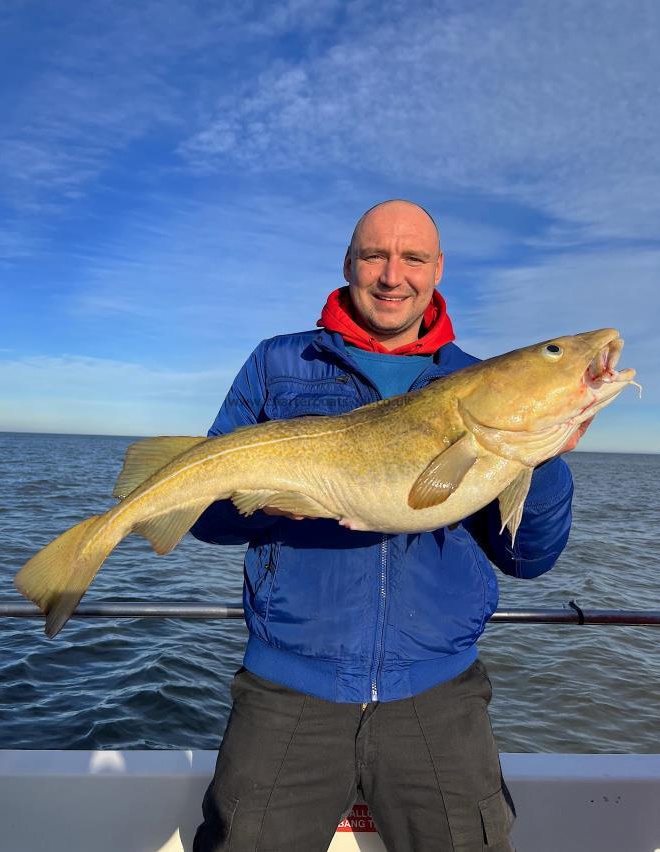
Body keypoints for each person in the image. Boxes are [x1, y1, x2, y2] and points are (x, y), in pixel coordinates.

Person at [192, 200, 580, 852]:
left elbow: (526, 560)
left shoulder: (476, 383)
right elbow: (205, 518)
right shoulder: (277, 364)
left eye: (412, 258)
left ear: (437, 270)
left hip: (438, 697)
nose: (391, 275)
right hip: (286, 691)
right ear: (348, 264)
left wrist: (541, 459)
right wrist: (268, 499)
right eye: (374, 255)